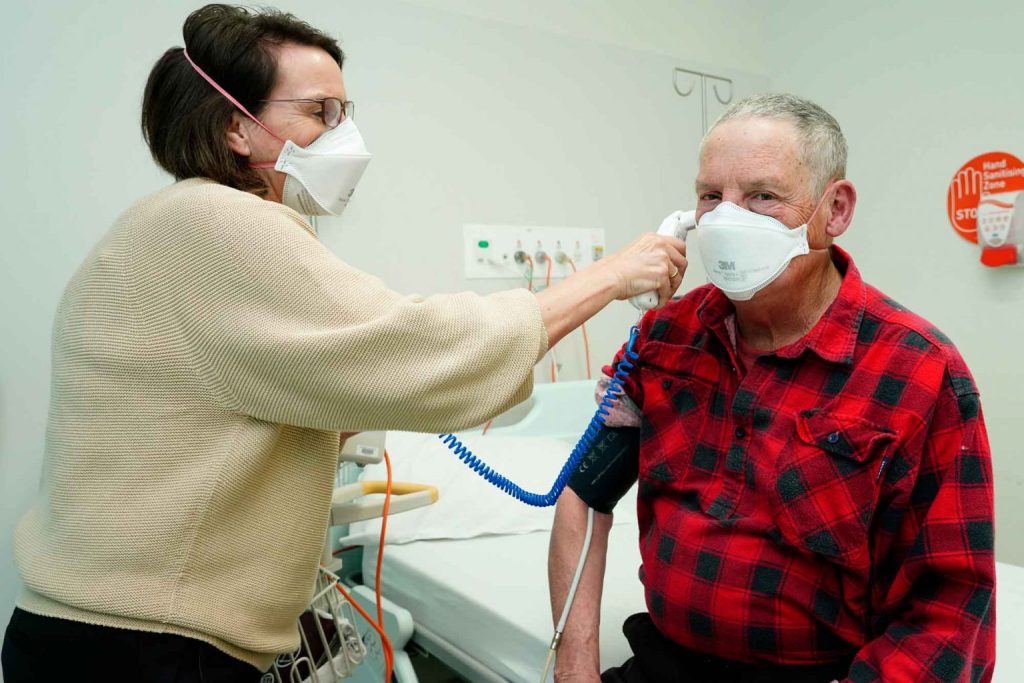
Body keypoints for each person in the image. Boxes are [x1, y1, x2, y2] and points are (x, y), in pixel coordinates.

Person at [0, 5, 687, 681]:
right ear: (237, 126)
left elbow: (259, 399)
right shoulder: (221, 227)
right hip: (148, 645)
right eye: (323, 113)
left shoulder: (158, 228)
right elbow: (419, 350)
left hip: (92, 631)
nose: (346, 135)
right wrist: (613, 273)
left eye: (347, 113)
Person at [549, 93, 996, 683]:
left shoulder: (919, 372)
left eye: (762, 196)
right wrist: (573, 669)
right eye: (711, 196)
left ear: (834, 211)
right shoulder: (664, 340)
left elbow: (950, 604)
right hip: (664, 662)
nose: (727, 220)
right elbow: (583, 497)